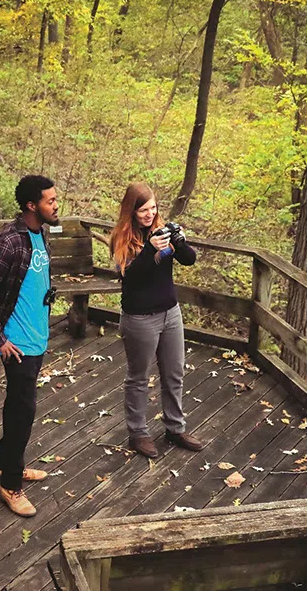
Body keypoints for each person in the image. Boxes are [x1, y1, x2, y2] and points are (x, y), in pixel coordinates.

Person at [0, 175, 61, 517]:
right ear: (31, 205)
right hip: (18, 344)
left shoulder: (40, 234)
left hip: (36, 338)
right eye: (50, 201)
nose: (56, 205)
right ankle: (10, 484)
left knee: (18, 406)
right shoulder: (10, 242)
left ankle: (8, 463)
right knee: (23, 412)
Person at [110, 182, 204, 459]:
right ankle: (138, 433)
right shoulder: (122, 238)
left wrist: (180, 240)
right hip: (140, 318)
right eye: (143, 210)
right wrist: (150, 251)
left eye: (153, 208)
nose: (149, 214)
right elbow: (131, 277)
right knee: (139, 378)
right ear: (131, 211)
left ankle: (175, 428)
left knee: (175, 373)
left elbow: (189, 260)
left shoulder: (160, 231)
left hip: (170, 313)